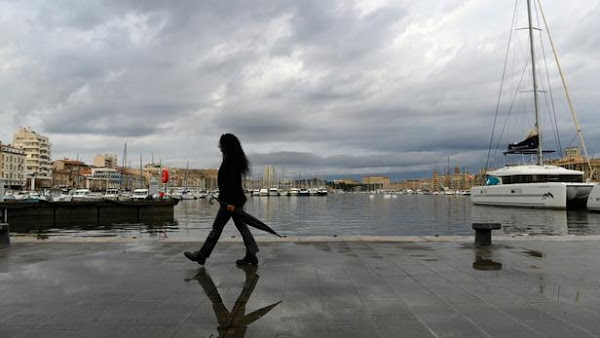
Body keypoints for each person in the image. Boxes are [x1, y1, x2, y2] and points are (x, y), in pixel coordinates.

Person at [184, 133, 259, 266]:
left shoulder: (231, 161)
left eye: (221, 145)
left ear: (227, 146)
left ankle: (201, 255)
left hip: (229, 202)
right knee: (241, 227)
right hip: (232, 200)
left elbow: (232, 184)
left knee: (217, 228)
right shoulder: (233, 160)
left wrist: (229, 203)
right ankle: (251, 255)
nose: (220, 147)